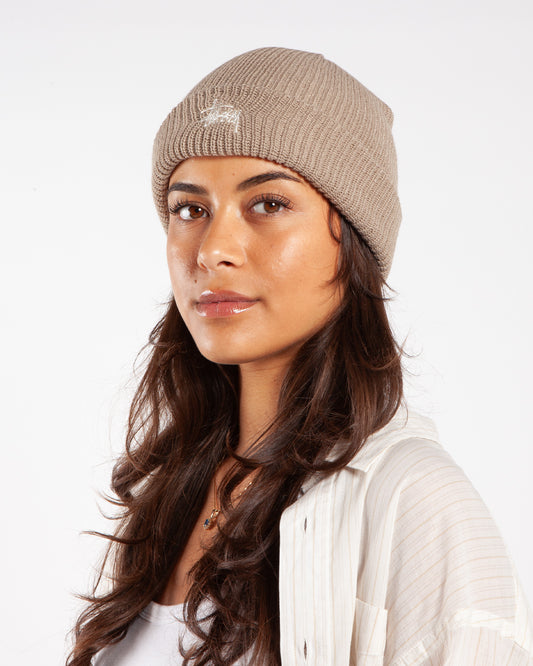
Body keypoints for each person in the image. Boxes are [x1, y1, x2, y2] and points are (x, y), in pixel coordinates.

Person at [68, 47, 533, 665]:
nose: (212, 250)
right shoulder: (162, 493)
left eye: (268, 204)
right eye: (190, 209)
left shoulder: (416, 503)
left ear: (354, 240)